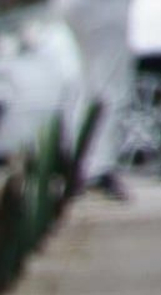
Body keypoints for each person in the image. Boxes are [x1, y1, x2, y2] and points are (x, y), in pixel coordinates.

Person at [54, 0, 134, 199]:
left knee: (83, 81)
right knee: (111, 86)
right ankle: (97, 168)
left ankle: (75, 162)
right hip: (103, 7)